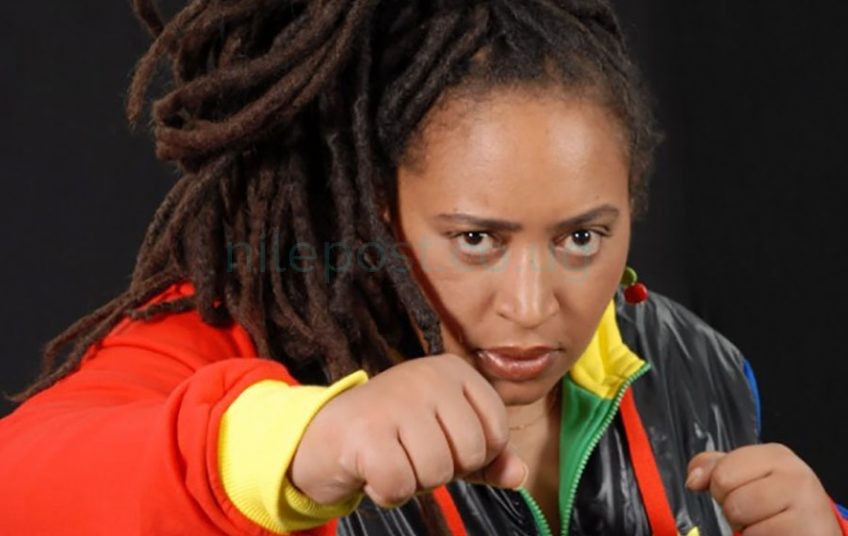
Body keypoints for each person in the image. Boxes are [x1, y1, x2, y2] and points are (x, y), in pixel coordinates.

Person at [1, 1, 845, 535]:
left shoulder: (698, 363)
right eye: (476, 239)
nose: (531, 306)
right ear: (379, 207)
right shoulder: (240, 341)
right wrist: (303, 444)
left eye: (582, 238)